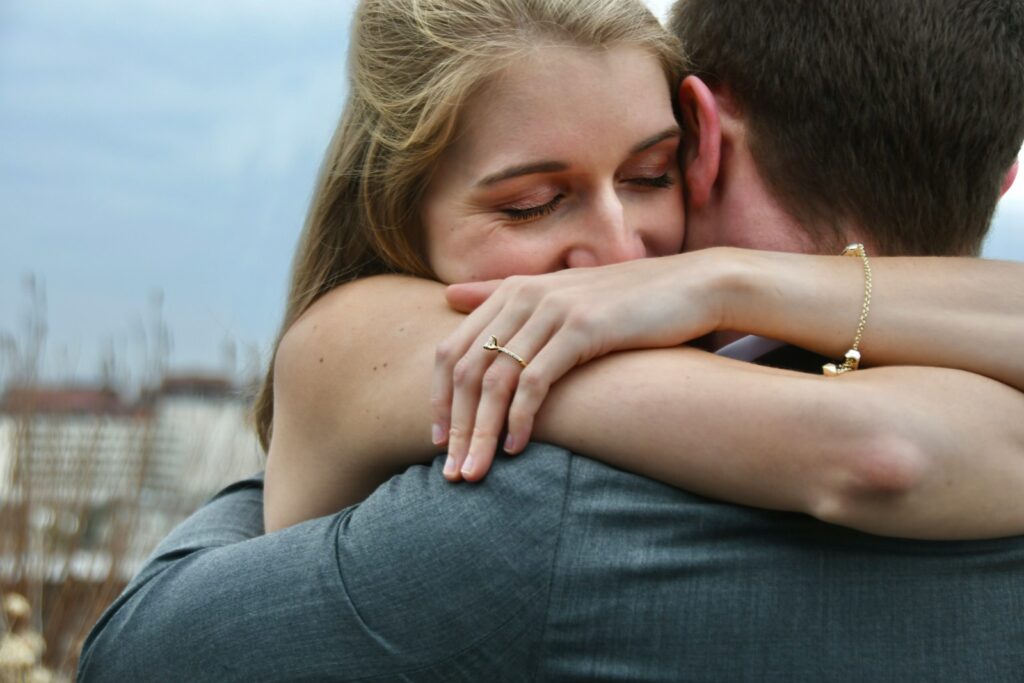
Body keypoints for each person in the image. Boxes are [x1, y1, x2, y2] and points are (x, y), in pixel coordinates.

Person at [78, 1, 1024, 681]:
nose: (619, 256)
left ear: (699, 133)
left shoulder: (538, 510)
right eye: (533, 202)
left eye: (651, 175)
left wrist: (350, 361)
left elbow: (139, 651)